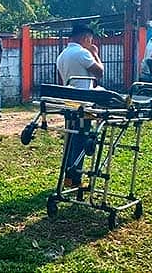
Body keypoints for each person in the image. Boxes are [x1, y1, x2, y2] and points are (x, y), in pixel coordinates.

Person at [55, 24, 104, 188]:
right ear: (85, 38)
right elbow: (100, 72)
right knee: (81, 138)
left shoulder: (62, 55)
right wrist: (96, 54)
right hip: (83, 104)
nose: (91, 44)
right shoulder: (82, 53)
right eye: (90, 40)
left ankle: (69, 176)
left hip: (70, 102)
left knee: (71, 137)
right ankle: (75, 177)